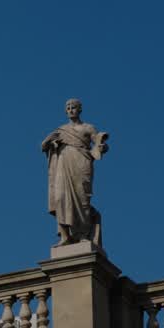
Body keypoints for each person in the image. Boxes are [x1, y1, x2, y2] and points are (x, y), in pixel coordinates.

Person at [41, 99, 109, 246]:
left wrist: (102, 147)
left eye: (74, 107)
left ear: (80, 109)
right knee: (60, 198)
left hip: (82, 162)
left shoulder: (88, 128)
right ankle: (65, 236)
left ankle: (83, 234)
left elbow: (99, 144)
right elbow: (44, 146)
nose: (71, 110)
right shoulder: (61, 130)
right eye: (68, 108)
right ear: (66, 111)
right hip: (63, 164)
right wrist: (49, 142)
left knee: (82, 199)